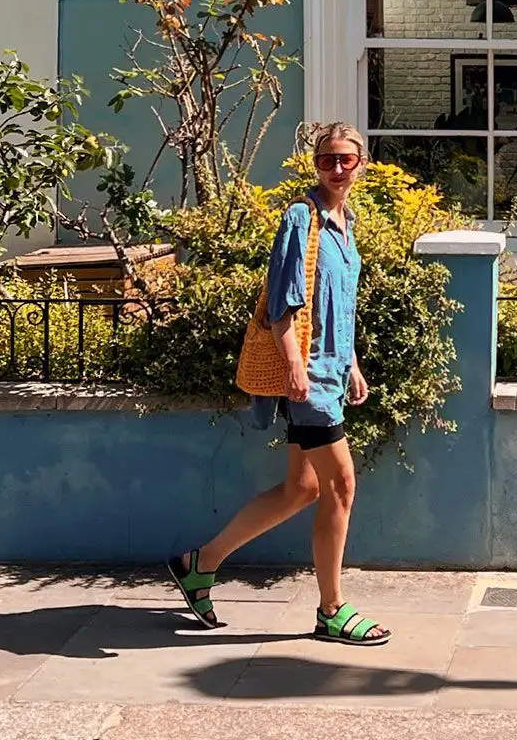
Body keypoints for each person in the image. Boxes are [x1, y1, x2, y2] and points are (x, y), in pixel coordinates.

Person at [164, 123, 391, 646]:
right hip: (307, 374)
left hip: (331, 371)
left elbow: (338, 308)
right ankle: (331, 609)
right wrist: (294, 367)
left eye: (346, 160)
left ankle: (199, 565)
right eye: (327, 159)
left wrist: (351, 362)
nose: (336, 168)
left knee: (303, 487)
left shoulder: (346, 223)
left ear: (362, 164)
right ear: (316, 163)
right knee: (341, 485)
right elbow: (284, 303)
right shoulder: (300, 217)